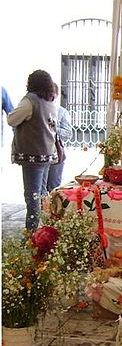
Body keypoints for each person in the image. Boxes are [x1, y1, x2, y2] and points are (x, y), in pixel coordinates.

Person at [7, 69, 58, 232]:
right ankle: (44, 229)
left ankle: (32, 232)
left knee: (32, 195)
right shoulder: (50, 102)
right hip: (47, 154)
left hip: (32, 155)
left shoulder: (30, 101)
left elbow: (11, 119)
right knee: (41, 194)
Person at [47, 82, 72, 192]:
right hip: (39, 152)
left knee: (54, 187)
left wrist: (54, 128)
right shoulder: (38, 110)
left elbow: (68, 134)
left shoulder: (62, 112)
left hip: (56, 153)